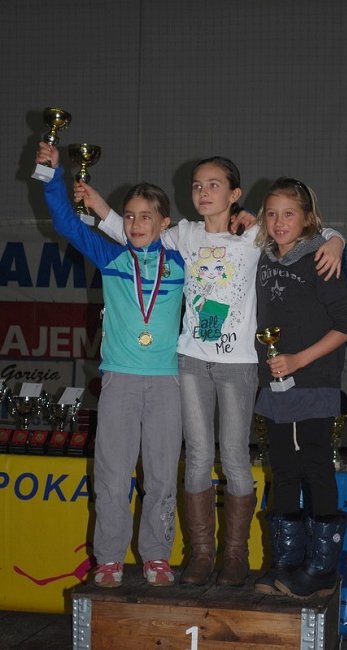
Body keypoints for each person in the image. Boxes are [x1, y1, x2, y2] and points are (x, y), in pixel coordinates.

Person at [75, 157, 344, 587]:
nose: (203, 192)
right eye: (198, 185)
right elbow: (133, 233)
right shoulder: (183, 234)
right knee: (198, 456)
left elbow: (300, 232)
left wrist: (336, 240)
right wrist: (99, 206)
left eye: (214, 185)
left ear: (234, 194)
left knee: (235, 457)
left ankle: (234, 555)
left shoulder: (255, 235)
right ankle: (201, 554)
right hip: (191, 361)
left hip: (239, 364)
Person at [35, 142, 185, 588]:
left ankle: (157, 555)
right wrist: (52, 175)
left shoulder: (183, 262)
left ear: (165, 223)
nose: (136, 224)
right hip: (119, 380)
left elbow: (226, 252)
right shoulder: (113, 257)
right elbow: (67, 224)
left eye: (146, 217)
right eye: (130, 216)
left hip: (167, 383)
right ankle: (109, 559)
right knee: (113, 476)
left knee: (162, 477)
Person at [253, 177, 347, 600]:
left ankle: (322, 569)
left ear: (308, 219)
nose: (279, 222)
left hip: (312, 382)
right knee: (283, 470)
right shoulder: (262, 257)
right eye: (272, 214)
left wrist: (298, 360)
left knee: (315, 468)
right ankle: (286, 562)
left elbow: (345, 326)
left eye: (289, 214)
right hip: (276, 385)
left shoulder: (320, 258)